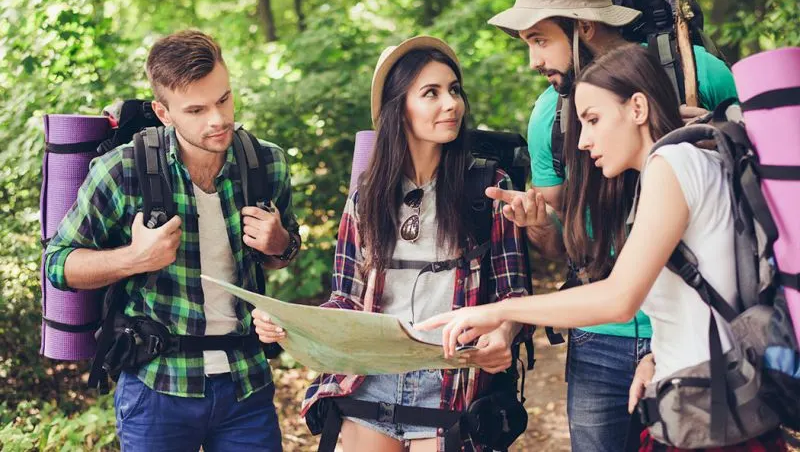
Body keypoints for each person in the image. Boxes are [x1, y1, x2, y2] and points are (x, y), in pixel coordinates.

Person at [418, 44, 786, 451]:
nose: (583, 141)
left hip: (714, 418)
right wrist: (656, 358)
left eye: (593, 120)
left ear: (638, 109)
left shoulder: (672, 165)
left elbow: (619, 299)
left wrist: (495, 310)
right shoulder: (693, 161)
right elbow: (703, 294)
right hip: (709, 401)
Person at [481, 0, 740, 451]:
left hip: (703, 334)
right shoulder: (549, 116)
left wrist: (712, 131)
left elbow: (758, 182)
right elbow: (565, 245)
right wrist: (538, 226)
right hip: (604, 337)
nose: (534, 61)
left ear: (583, 26)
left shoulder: (697, 72)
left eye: (540, 39)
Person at [253, 36, 530, 452]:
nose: (451, 103)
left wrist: (503, 334)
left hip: (450, 381)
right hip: (369, 378)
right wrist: (290, 325)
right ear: (398, 108)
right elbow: (345, 300)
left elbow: (515, 293)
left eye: (454, 90)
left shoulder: (488, 188)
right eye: (431, 93)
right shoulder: (367, 197)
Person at [44, 30, 301, 452]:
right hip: (156, 387)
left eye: (224, 99)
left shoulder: (266, 162)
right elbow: (58, 264)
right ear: (164, 113)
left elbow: (285, 255)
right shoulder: (121, 170)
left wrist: (279, 244)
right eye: (196, 110)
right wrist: (135, 258)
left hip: (246, 383)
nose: (217, 119)